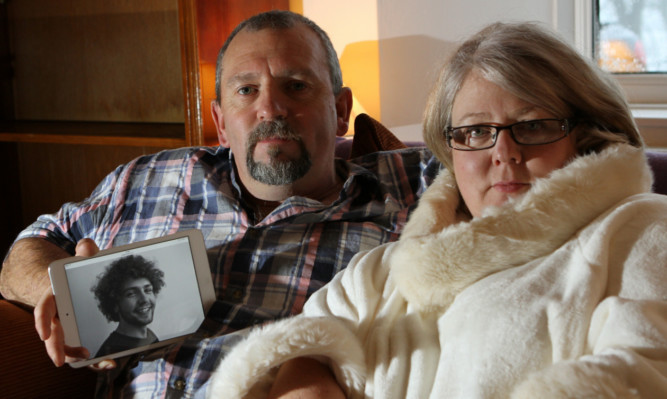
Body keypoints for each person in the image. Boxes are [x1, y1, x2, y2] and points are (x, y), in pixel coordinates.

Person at [207, 22, 667, 399]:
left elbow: (645, 370)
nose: (502, 153)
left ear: (583, 134)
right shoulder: (384, 270)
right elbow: (302, 343)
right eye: (474, 132)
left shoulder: (641, 228)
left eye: (533, 125)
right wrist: (305, 378)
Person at [0, 10, 439, 397]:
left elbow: (496, 163)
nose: (271, 108)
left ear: (341, 109)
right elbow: (32, 242)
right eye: (246, 90)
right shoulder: (146, 179)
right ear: (220, 122)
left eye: (297, 85)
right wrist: (58, 291)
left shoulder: (409, 185)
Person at [91, 255, 164, 357]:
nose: (144, 299)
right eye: (131, 294)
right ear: (115, 304)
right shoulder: (113, 353)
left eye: (147, 290)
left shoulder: (149, 335)